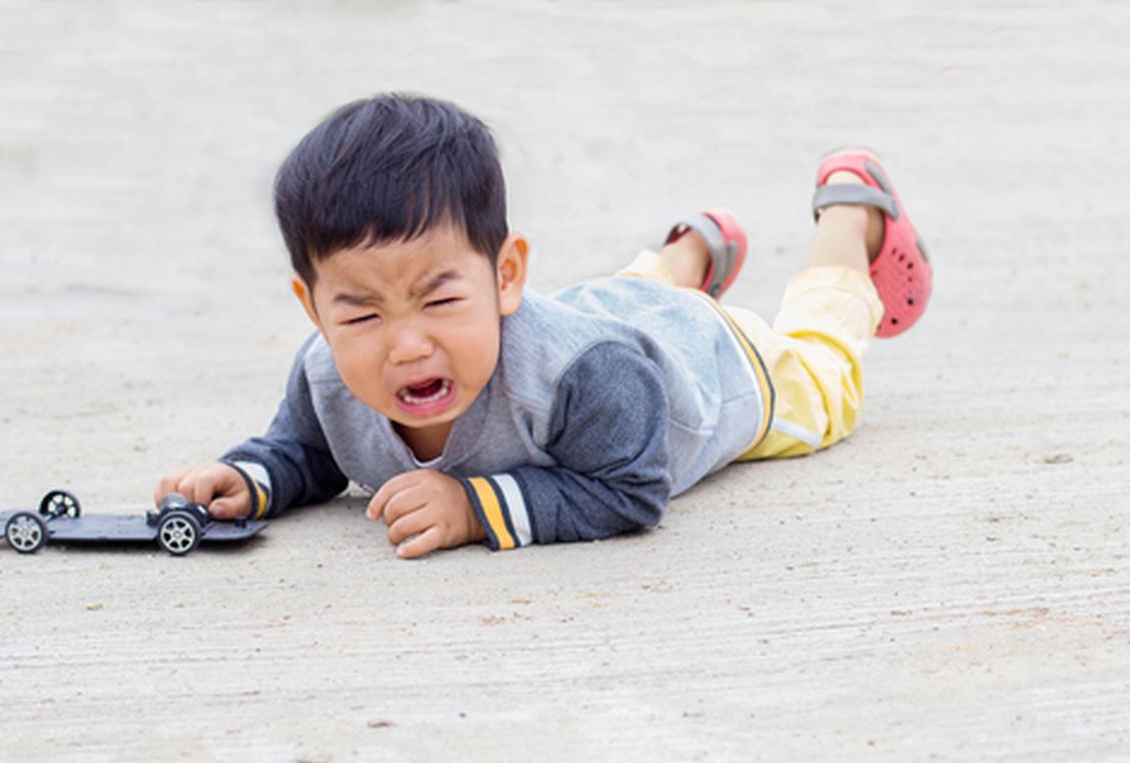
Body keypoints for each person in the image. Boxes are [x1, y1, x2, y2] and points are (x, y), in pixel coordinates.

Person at [155, 93, 933, 559]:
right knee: (614, 303)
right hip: (606, 312)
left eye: (438, 300)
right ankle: (693, 248)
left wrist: (474, 510)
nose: (407, 345)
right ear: (315, 309)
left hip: (714, 362)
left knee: (824, 376)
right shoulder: (326, 373)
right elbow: (305, 452)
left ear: (506, 277)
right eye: (361, 312)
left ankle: (849, 218)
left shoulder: (585, 378)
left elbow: (629, 491)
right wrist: (248, 481)